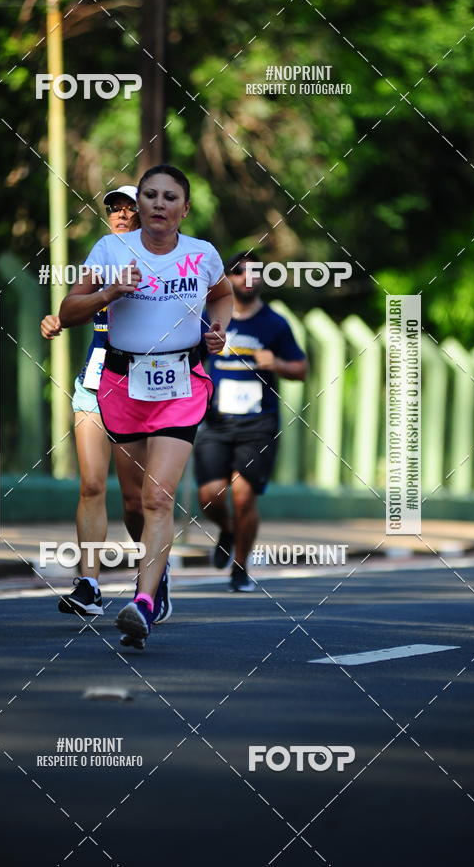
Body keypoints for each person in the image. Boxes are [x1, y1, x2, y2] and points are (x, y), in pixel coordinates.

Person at [59, 164, 233, 648]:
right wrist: (110, 291)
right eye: (150, 195)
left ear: (185, 208)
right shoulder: (111, 250)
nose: (158, 204)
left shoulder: (202, 255)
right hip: (122, 383)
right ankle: (155, 575)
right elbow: (69, 310)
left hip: (182, 381)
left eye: (169, 197)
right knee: (133, 501)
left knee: (159, 497)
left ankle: (143, 601)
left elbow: (223, 295)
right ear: (141, 205)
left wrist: (218, 332)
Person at [41, 186, 171, 625]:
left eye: (128, 207)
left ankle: (153, 574)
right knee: (91, 487)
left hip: (138, 391)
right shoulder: (102, 255)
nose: (119, 214)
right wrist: (65, 315)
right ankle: (89, 585)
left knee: (135, 502)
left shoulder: (166, 262)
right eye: (113, 207)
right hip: (93, 386)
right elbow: (71, 306)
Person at [194, 250, 307, 591]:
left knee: (243, 494)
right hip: (215, 420)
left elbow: (301, 369)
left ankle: (241, 567)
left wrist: (278, 364)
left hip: (258, 423)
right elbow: (190, 357)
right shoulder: (210, 317)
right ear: (228, 278)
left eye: (255, 272)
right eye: (240, 272)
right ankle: (228, 530)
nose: (247, 278)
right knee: (210, 495)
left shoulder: (274, 323)